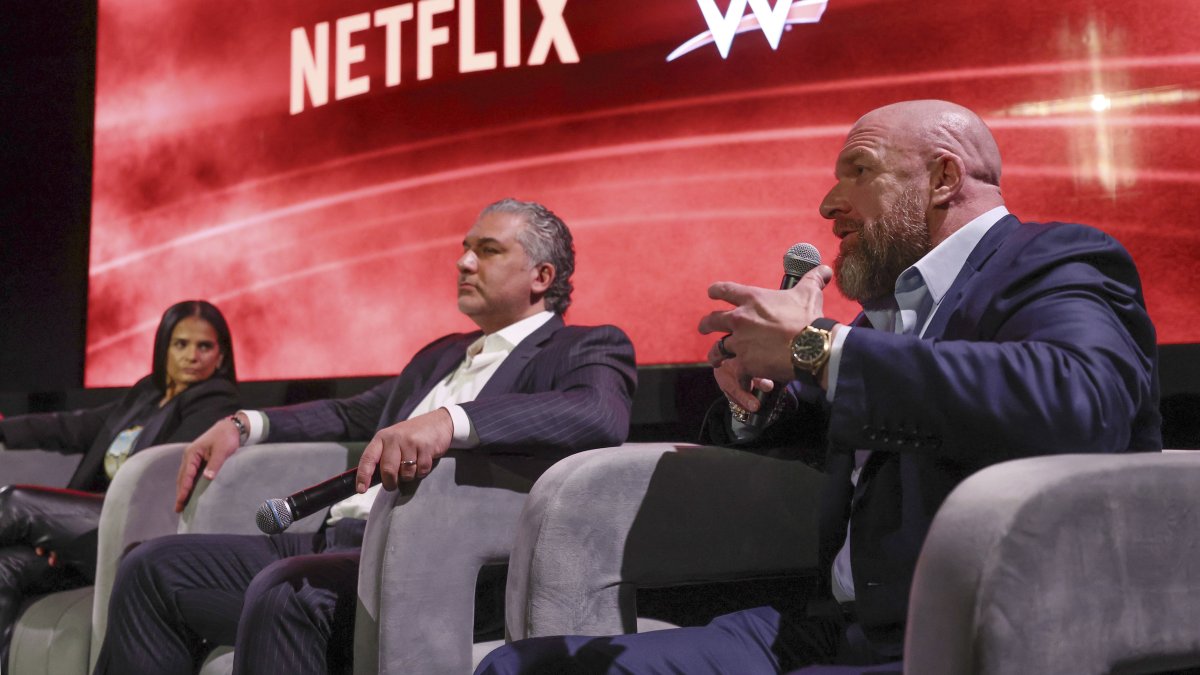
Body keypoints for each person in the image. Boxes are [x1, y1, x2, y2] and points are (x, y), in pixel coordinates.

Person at [474, 100, 1161, 674]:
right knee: (521, 667)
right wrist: (767, 398)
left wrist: (818, 346)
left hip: (979, 639)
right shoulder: (889, 315)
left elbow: (1082, 401)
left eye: (858, 171)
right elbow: (884, 418)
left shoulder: (1053, 258)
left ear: (945, 178)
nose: (829, 203)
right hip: (835, 628)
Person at [93, 198, 638, 675]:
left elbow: (595, 413)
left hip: (429, 564)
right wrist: (245, 424)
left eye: (488, 250)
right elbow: (354, 414)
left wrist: (451, 421)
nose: (463, 261)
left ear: (541, 277)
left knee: (288, 593)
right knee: (149, 566)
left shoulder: (586, 346)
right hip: (338, 540)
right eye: (464, 247)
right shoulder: (441, 354)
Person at [0, 300, 239, 674]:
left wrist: (58, 529)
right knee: (7, 565)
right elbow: (75, 426)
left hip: (134, 529)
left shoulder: (214, 401)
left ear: (220, 355)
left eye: (204, 346)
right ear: (163, 348)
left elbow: (159, 478)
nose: (192, 356)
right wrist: (5, 427)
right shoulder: (146, 394)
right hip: (85, 526)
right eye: (181, 344)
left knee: (15, 502)